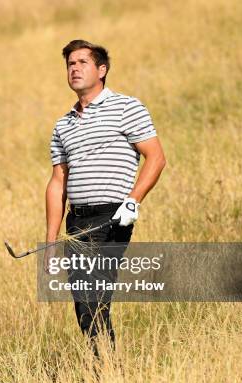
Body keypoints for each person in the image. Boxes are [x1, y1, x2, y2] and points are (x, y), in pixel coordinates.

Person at [45, 39, 166, 351]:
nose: (74, 69)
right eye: (70, 64)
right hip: (76, 223)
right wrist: (50, 241)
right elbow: (58, 183)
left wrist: (133, 200)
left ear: (102, 69)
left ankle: (106, 374)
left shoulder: (127, 107)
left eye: (82, 62)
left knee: (94, 299)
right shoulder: (63, 126)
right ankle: (107, 371)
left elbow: (156, 158)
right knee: (84, 304)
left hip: (112, 216)